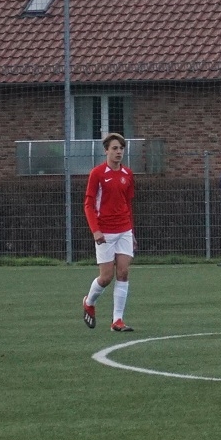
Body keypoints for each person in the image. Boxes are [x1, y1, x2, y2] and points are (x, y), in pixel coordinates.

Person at [81, 133, 137, 332]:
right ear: (106, 151)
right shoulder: (97, 174)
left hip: (124, 230)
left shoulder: (127, 174)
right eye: (114, 148)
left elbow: (127, 204)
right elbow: (88, 204)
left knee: (123, 272)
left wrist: (132, 231)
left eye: (121, 148)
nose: (118, 152)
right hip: (104, 232)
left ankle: (117, 320)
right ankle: (89, 302)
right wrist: (95, 230)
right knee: (106, 277)